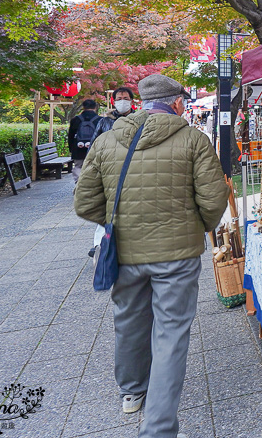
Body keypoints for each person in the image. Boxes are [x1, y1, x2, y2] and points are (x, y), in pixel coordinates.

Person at [74, 74, 228, 438]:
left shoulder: (107, 139)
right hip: (178, 254)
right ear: (176, 103)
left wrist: (118, 220)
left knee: (128, 321)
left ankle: (132, 392)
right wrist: (194, 226)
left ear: (140, 102)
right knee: (171, 332)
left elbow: (84, 202)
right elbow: (213, 200)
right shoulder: (193, 139)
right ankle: (158, 428)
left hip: (124, 252)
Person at [68, 99, 103, 183]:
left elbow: (70, 136)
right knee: (94, 166)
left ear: (83, 107)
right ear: (95, 107)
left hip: (78, 148)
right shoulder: (100, 120)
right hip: (94, 148)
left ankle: (79, 183)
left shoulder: (75, 120)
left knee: (78, 166)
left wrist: (71, 149)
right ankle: (91, 185)